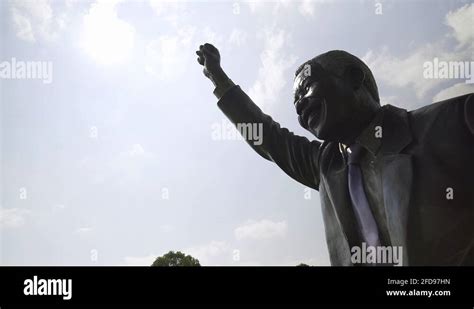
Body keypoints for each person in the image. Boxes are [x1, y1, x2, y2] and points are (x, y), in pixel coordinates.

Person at [196, 43, 474, 266]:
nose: (300, 105)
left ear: (354, 78)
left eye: (306, 88)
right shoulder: (325, 165)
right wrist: (219, 79)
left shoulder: (455, 122)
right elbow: (269, 138)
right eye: (295, 102)